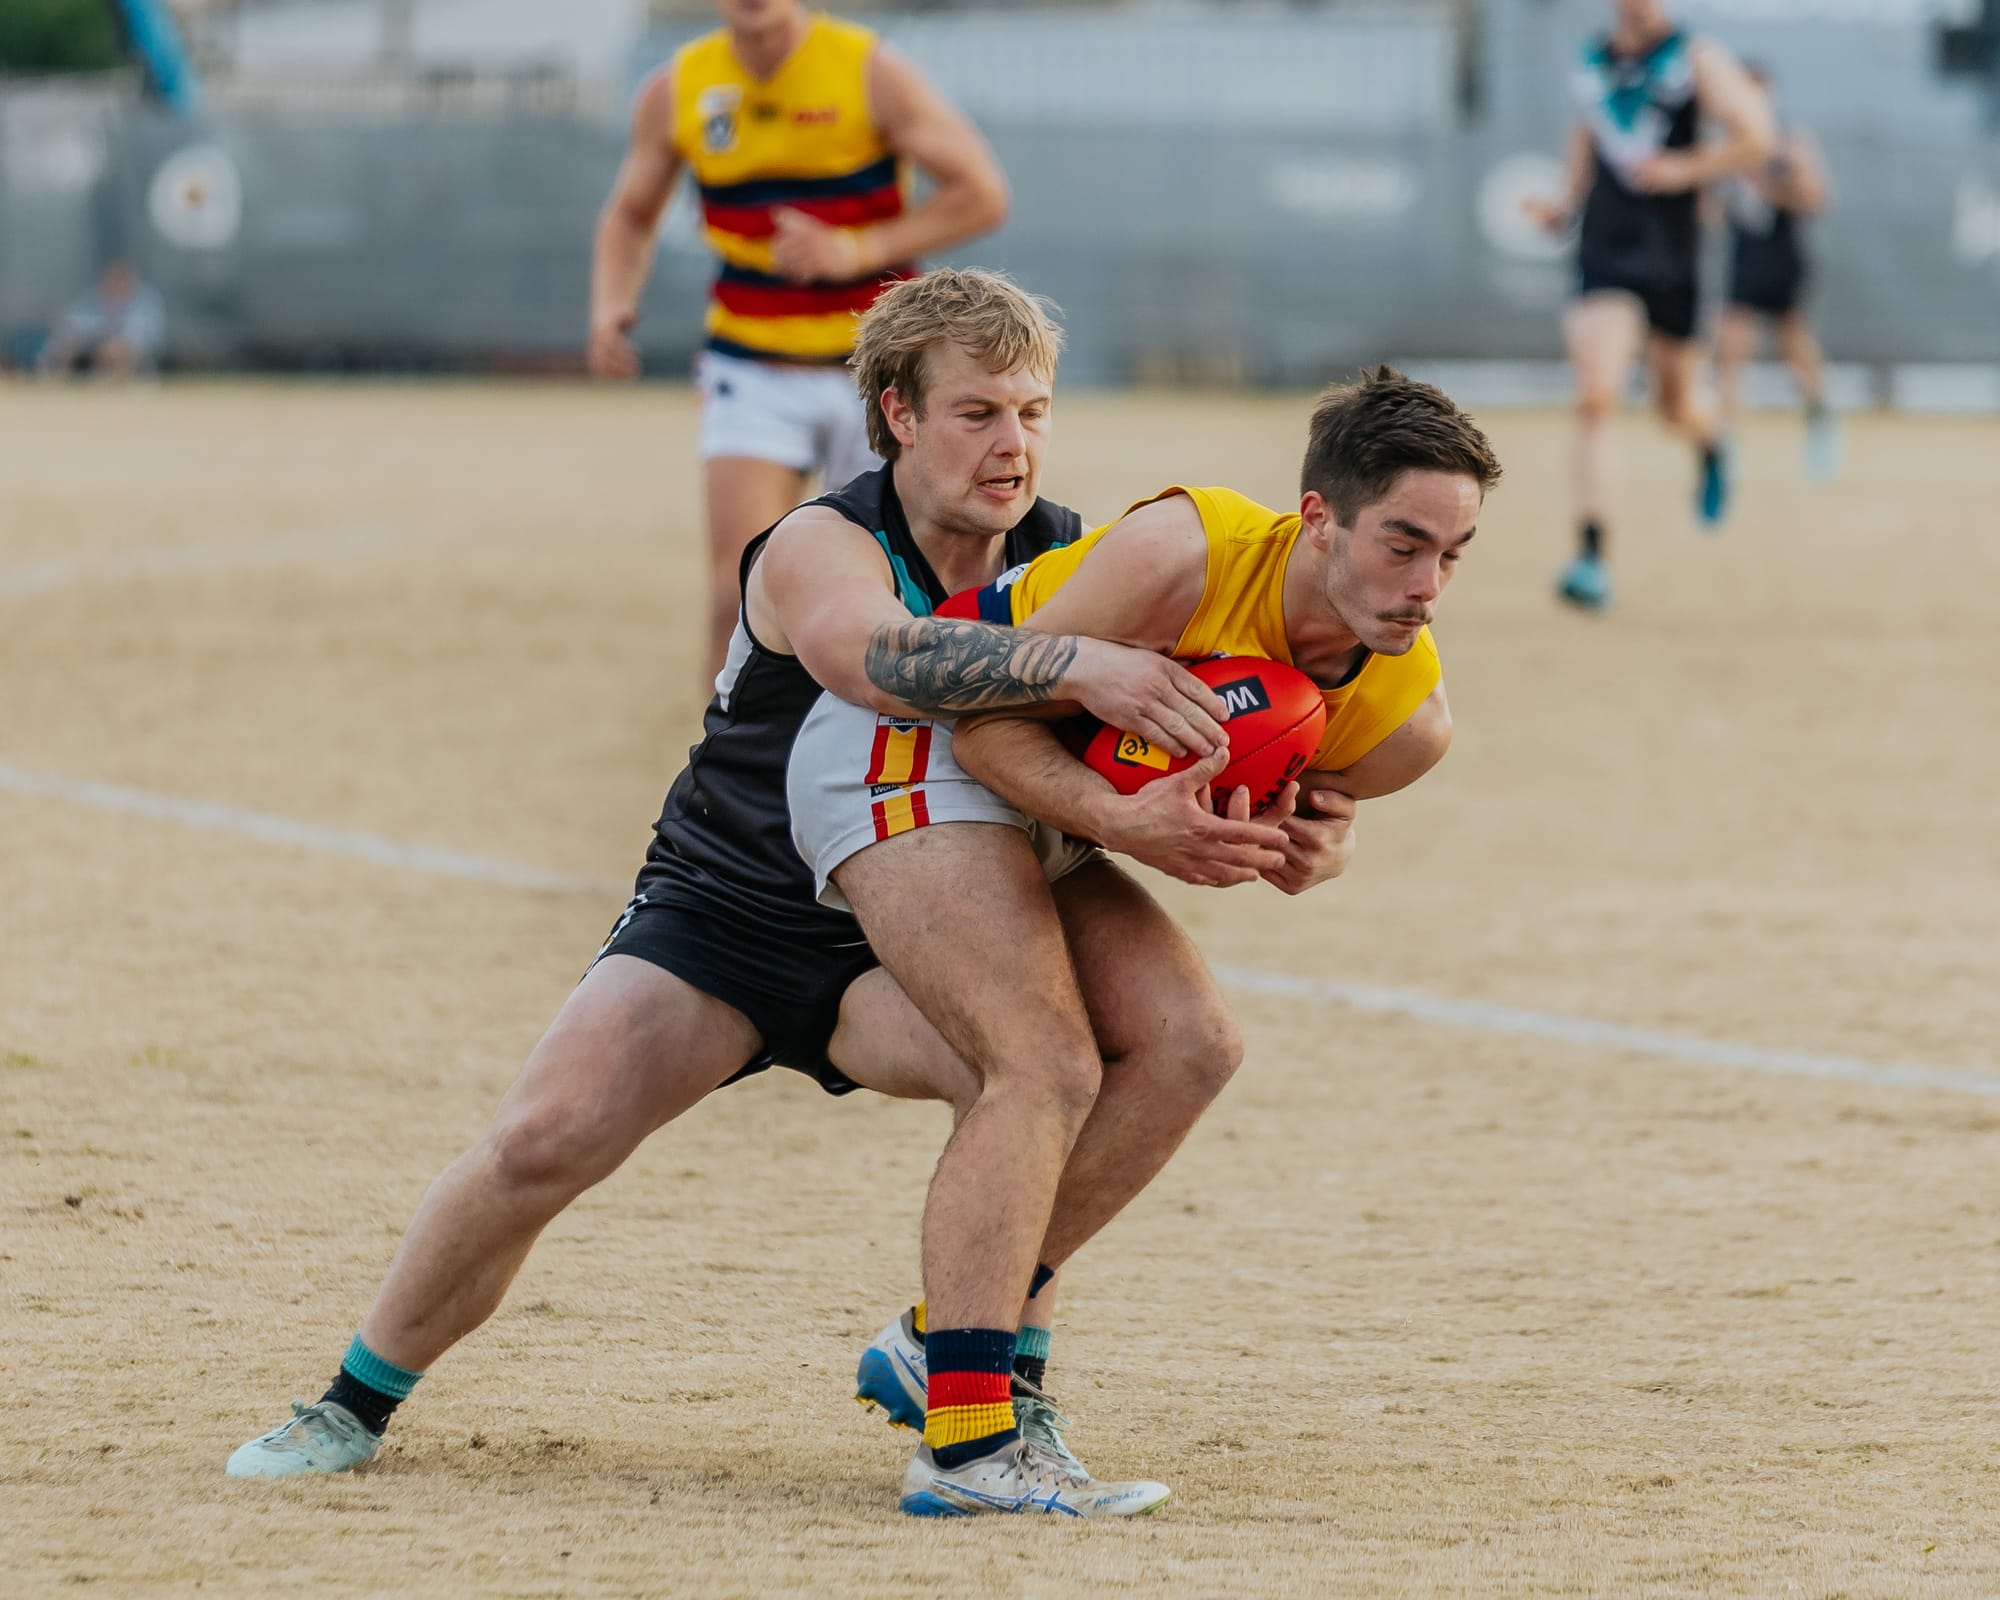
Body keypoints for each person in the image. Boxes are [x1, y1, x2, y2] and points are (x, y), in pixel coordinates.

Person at [225, 270, 1281, 1519]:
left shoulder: (1069, 554)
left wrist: (1272, 809)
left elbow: (1156, 733)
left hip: (920, 925)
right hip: (727, 918)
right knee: (542, 1141)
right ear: (894, 412)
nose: (1012, 446)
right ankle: (351, 1402)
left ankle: (983, 1378)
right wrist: (1084, 661)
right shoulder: (816, 543)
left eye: (1033, 414)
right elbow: (879, 659)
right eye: (976, 413)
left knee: (1045, 1079)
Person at [788, 365, 1503, 1505]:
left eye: (1453, 554)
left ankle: (943, 1341)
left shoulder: (1405, 718)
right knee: (1043, 1063)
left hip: (1041, 798)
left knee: (1192, 1044)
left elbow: (1312, 804)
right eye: (1401, 543)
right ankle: (970, 1445)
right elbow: (978, 730)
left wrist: (1318, 845)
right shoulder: (1187, 554)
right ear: (1316, 518)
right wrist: (1126, 820)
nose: (1425, 585)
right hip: (908, 748)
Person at [588, 0, 1009, 683]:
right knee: (738, 590)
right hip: (750, 368)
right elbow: (632, 213)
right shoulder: (677, 87)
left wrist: (859, 248)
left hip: (879, 379)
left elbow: (983, 193)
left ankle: (886, 764)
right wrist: (611, 304)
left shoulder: (870, 70)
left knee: (897, 587)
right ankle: (724, 781)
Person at [1527, 0, 1773, 613]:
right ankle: (1591, 555)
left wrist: (1684, 168)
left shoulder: (1696, 58)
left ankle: (1711, 442)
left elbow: (1757, 136)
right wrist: (1564, 202)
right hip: (1604, 250)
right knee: (1595, 396)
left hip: (1674, 256)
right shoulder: (1594, 60)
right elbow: (1588, 133)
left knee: (1675, 406)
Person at [1713, 62, 1839, 483]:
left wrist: (1772, 182)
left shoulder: (1790, 140)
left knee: (1795, 349)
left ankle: (1821, 423)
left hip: (1783, 257)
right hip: (1744, 258)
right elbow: (1710, 210)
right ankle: (1726, 443)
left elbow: (1817, 199)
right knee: (1729, 347)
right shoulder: (1725, 144)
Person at [37, 260, 165, 379]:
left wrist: (114, 343)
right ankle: (58, 380)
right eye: (112, 280)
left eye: (120, 280)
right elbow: (74, 324)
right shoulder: (92, 300)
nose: (115, 284)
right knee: (66, 345)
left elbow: (143, 336)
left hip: (131, 352)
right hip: (95, 347)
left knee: (117, 350)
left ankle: (112, 381)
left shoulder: (144, 302)